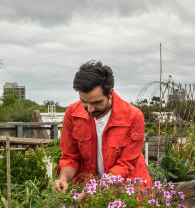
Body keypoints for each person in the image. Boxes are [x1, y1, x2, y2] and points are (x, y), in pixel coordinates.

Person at [53, 61, 151, 194]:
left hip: (127, 191)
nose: (90, 109)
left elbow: (125, 165)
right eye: (84, 102)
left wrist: (95, 190)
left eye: (97, 103)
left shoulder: (133, 117)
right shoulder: (72, 113)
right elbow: (70, 157)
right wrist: (63, 178)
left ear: (110, 93)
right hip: (87, 189)